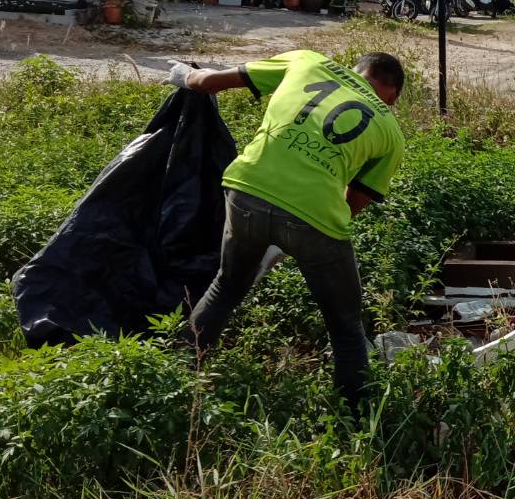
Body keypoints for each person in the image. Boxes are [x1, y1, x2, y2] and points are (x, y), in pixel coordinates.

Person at [168, 49, 406, 414]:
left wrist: (184, 73)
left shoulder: (307, 61)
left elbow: (205, 82)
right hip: (314, 219)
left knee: (226, 287)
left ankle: (175, 381)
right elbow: (350, 206)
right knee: (344, 325)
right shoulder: (390, 131)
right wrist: (298, 230)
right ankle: (359, 420)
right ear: (391, 96)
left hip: (245, 190)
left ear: (356, 70)